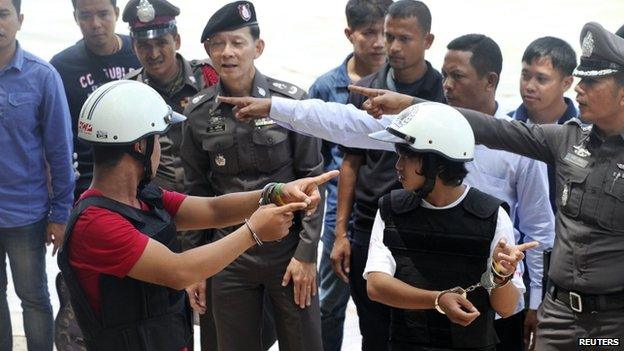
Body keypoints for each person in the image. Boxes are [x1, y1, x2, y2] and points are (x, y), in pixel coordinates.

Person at [255, 21, 624, 350]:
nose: (580, 88)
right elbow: (488, 128)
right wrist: (411, 105)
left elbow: (539, 230)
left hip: (607, 322)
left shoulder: (494, 209)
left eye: (592, 81)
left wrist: (526, 297)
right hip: (557, 316)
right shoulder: (565, 140)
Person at [57, 79, 337, 351]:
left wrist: (274, 193)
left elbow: (212, 209)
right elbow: (179, 272)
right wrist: (253, 233)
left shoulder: (142, 197)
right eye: (158, 139)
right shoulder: (96, 223)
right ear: (140, 146)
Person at [180, 2, 324, 350]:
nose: (227, 52)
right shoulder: (197, 113)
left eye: (237, 42)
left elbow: (312, 180)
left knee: (303, 343)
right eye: (217, 44)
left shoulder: (289, 104)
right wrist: (195, 267)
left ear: (257, 48)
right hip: (229, 253)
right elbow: (196, 192)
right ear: (207, 52)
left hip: (287, 252)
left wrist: (306, 254)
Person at [364, 102, 536, 350]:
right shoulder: (391, 209)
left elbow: (506, 308)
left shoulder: (492, 216)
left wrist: (501, 275)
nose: (398, 165)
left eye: (408, 155)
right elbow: (376, 286)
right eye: (398, 154)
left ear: (439, 163)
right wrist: (438, 299)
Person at [332, 1, 445, 348]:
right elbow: (350, 163)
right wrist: (340, 233)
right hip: (369, 224)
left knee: (425, 328)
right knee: (374, 331)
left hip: (425, 227)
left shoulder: (444, 92)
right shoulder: (367, 89)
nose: (393, 47)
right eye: (389, 36)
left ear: (427, 40)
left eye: (404, 38)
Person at [442, 34, 554, 351]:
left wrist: (535, 303)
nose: (447, 85)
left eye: (457, 76)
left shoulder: (519, 144)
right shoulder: (431, 134)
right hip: (437, 284)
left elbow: (539, 229)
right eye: (444, 75)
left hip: (501, 289)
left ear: (490, 80)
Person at [120, 0, 219, 349]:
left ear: (176, 39)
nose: (154, 52)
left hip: (211, 212)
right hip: (159, 219)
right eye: (144, 45)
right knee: (165, 314)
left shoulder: (211, 77)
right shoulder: (130, 93)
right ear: (134, 47)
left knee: (217, 315)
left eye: (160, 41)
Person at [307, 1, 389, 349]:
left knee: (385, 301)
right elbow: (314, 161)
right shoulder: (327, 87)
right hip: (336, 216)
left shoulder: (399, 86)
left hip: (384, 211)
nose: (380, 43)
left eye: (385, 33)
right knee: (330, 303)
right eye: (369, 33)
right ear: (349, 34)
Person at [0, 0, 74, 350]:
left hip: (26, 214)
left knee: (33, 298)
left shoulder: (41, 76)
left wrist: (60, 215)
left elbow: (60, 151)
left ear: (19, 20)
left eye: (2, 13)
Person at [50, 0, 141, 200]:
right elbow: (53, 133)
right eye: (85, 16)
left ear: (116, 13)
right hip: (88, 180)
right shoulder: (61, 67)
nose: (95, 23)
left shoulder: (140, 51)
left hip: (140, 176)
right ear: (75, 17)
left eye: (103, 14)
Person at [508, 36, 578, 213]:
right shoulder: (506, 126)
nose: (529, 86)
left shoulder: (587, 133)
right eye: (525, 75)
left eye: (541, 79)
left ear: (566, 83)